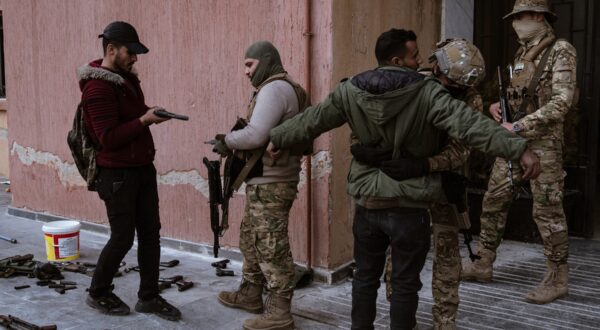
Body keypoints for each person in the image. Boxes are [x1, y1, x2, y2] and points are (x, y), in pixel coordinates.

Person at [268, 28, 541, 330]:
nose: (420, 61)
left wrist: (277, 137)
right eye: (414, 56)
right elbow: (471, 127)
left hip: (368, 203)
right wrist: (519, 149)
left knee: (364, 279)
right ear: (398, 59)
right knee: (406, 283)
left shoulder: (349, 91)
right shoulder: (428, 92)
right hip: (409, 207)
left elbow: (312, 120)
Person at [352, 39, 487, 330]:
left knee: (448, 257)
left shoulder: (469, 98)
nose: (449, 86)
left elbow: (461, 149)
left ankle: (444, 321)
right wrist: (363, 147)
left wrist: (426, 164)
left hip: (443, 184)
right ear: (436, 64)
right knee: (396, 260)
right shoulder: (412, 82)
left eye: (456, 84)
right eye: (447, 79)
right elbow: (373, 119)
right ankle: (400, 319)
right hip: (405, 186)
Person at [461, 0, 577, 305]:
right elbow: (520, 97)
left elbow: (563, 101)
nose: (515, 24)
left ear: (538, 16)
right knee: (493, 201)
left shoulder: (560, 50)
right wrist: (497, 108)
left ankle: (557, 279)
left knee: (547, 212)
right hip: (513, 142)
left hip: (544, 145)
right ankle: (483, 263)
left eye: (519, 17)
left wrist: (520, 124)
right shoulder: (522, 53)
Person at [79, 21, 181, 321]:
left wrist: (150, 113)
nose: (135, 58)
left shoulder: (125, 80)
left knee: (151, 234)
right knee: (122, 237)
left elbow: (130, 116)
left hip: (141, 169)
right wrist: (144, 121)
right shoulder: (97, 87)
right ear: (111, 50)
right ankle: (98, 292)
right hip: (117, 175)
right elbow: (107, 138)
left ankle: (148, 297)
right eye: (129, 52)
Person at [214, 40, 308, 330]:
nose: (245, 71)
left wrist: (226, 141)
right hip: (267, 180)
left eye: (249, 64)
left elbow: (256, 135)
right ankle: (251, 293)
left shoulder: (274, 88)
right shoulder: (282, 87)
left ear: (266, 61)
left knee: (271, 245)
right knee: (251, 238)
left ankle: (280, 310)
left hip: (272, 182)